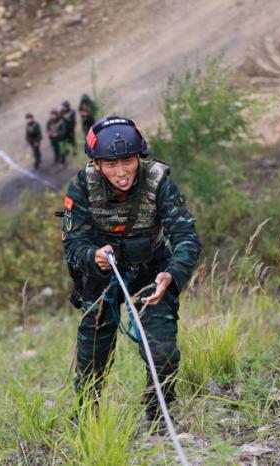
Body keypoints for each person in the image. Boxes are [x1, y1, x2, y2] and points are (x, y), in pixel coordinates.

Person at [61, 116, 201, 428]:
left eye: (128, 160)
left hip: (151, 271)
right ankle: (86, 420)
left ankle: (158, 416)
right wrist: (92, 255)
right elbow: (72, 243)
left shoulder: (158, 179)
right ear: (96, 163)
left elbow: (186, 236)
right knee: (93, 357)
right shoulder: (82, 186)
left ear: (139, 156)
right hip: (101, 275)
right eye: (111, 164)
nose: (121, 172)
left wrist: (172, 273)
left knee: (162, 351)